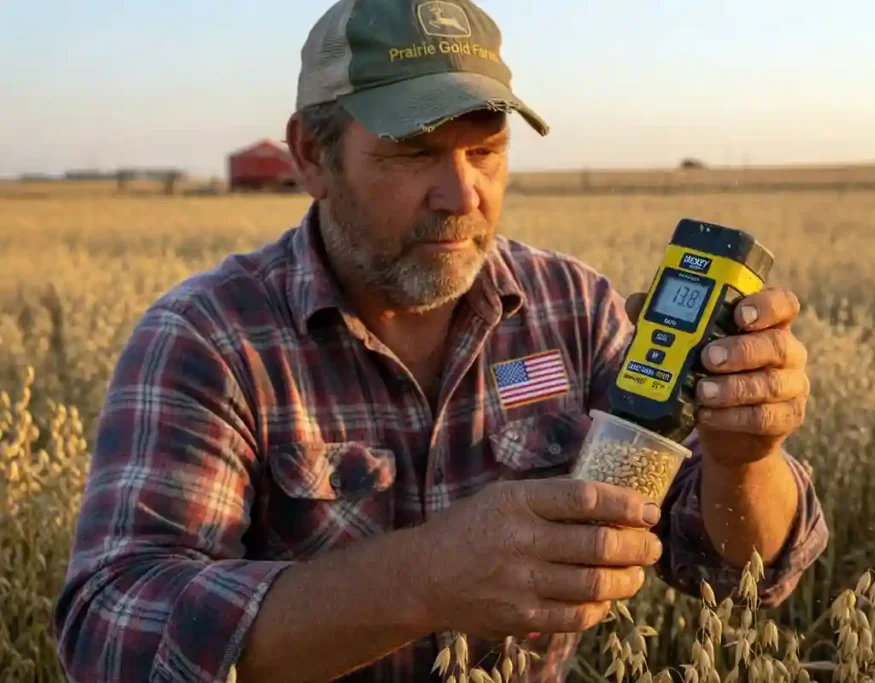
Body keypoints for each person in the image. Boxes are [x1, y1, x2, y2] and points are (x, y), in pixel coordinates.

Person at [52, 1, 828, 681]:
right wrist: (422, 578)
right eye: (415, 152)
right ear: (312, 157)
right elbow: (112, 631)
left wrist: (743, 457)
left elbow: (733, 566)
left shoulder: (572, 307)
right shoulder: (211, 341)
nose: (463, 195)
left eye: (485, 150)